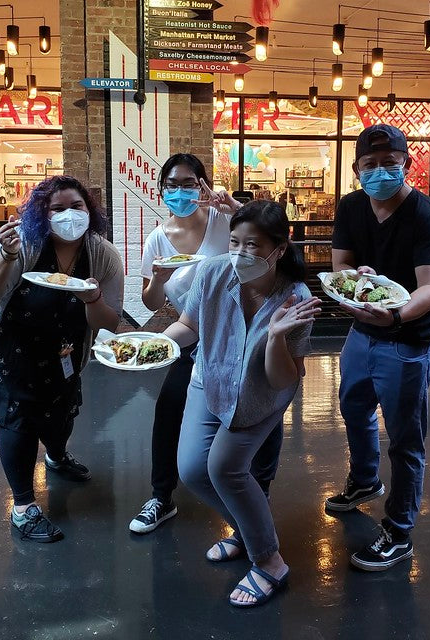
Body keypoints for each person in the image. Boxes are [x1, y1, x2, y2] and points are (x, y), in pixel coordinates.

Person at [169, 199, 321, 607]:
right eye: (235, 242)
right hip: (210, 377)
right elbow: (189, 325)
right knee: (192, 469)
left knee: (225, 468)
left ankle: (269, 561)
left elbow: (283, 378)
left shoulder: (296, 298)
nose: (241, 254)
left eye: (253, 246)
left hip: (260, 393)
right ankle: (248, 529)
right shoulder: (213, 272)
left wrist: (274, 336)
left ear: (279, 248)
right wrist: (157, 344)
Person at [129, 153, 285, 538]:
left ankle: (258, 496)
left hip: (242, 332)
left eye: (188, 183)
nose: (179, 191)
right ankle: (161, 497)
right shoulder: (158, 238)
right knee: (169, 410)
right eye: (171, 185)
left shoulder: (225, 222)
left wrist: (236, 208)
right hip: (192, 332)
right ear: (161, 189)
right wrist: (159, 280)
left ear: (202, 184)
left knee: (259, 410)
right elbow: (151, 302)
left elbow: (268, 236)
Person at [0, 175, 124, 543]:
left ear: (91, 210)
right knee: (19, 420)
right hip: (9, 344)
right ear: (42, 214)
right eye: (58, 208)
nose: (69, 215)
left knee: (62, 411)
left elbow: (108, 323)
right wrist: (6, 256)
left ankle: (56, 456)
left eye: (77, 206)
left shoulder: (103, 255)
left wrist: (92, 300)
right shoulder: (21, 242)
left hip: (64, 347)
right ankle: (22, 507)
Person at [325, 124, 430, 571]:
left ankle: (399, 530)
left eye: (389, 164)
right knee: (353, 408)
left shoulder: (426, 216)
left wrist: (394, 315)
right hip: (362, 331)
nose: (379, 172)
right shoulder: (351, 207)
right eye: (370, 165)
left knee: (405, 438)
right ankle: (364, 481)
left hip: (407, 341)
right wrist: (357, 281)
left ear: (406, 165)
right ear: (357, 169)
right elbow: (341, 266)